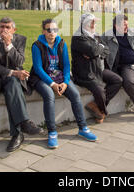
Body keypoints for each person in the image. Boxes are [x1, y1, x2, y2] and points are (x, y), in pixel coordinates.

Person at [28, 18, 98, 149]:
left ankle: (82, 128)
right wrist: (52, 84)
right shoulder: (36, 46)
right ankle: (52, 132)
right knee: (49, 95)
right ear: (43, 31)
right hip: (41, 78)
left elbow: (66, 65)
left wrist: (65, 82)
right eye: (49, 30)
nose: (52, 32)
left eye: (55, 30)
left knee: (75, 95)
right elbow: (38, 68)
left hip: (59, 76)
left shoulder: (62, 44)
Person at [0, 17, 42, 152]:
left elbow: (19, 61)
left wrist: (9, 45)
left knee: (12, 85)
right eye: (1, 27)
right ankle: (24, 123)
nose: (4, 30)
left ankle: (17, 134)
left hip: (15, 80)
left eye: (7, 27)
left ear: (14, 30)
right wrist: (14, 73)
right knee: (13, 82)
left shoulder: (20, 40)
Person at [71, 13, 123, 123]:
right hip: (85, 73)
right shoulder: (78, 37)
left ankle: (95, 106)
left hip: (98, 69)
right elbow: (92, 51)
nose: (94, 24)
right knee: (100, 91)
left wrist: (96, 52)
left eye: (94, 22)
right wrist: (97, 50)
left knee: (117, 80)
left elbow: (106, 51)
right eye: (92, 22)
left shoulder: (95, 35)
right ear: (84, 24)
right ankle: (102, 112)